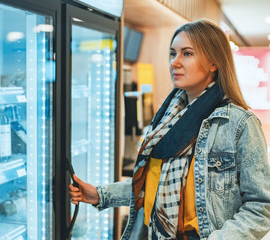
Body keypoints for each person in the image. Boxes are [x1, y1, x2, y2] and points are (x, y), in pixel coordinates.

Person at [69, 19, 270, 240]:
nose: (175, 62)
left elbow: (260, 207)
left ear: (214, 62)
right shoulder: (165, 118)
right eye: (172, 54)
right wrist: (100, 195)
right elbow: (148, 185)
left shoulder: (239, 124)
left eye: (187, 54)